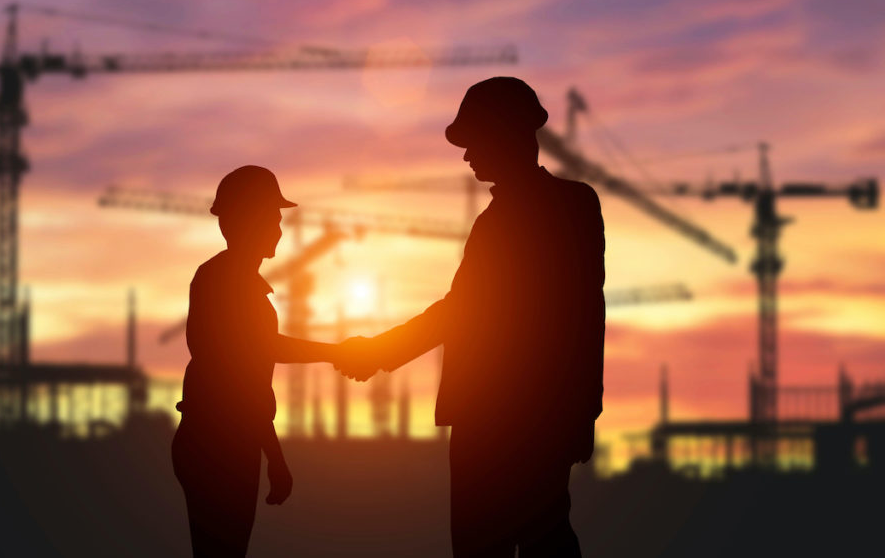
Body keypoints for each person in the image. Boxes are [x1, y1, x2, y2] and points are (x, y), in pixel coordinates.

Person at [336, 77, 606, 557]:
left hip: (495, 423)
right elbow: (587, 319)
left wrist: (379, 352)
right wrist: (581, 413)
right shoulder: (568, 207)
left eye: (473, 141)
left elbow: (461, 314)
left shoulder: (513, 221)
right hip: (534, 421)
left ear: (503, 136)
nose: (465, 156)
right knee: (546, 541)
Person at [171, 165, 340, 558]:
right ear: (249, 220)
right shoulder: (229, 284)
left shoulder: (224, 280)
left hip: (217, 438)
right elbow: (249, 371)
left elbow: (252, 367)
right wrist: (338, 352)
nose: (279, 229)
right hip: (220, 444)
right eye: (273, 217)